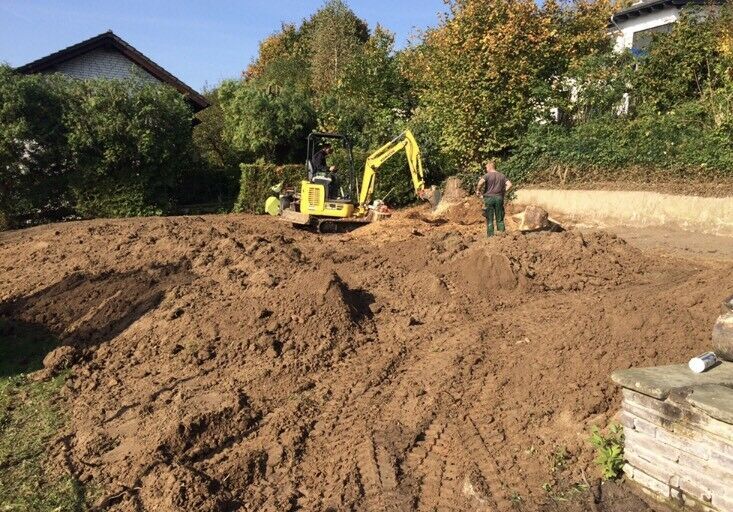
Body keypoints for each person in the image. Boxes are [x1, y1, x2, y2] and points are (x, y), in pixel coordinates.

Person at [476, 161, 512, 237]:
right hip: (499, 198)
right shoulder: (502, 175)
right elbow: (509, 184)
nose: (486, 169)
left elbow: (480, 183)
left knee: (489, 218)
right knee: (500, 218)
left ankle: (490, 237)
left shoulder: (487, 175)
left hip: (489, 198)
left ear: (489, 167)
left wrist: (478, 190)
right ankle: (502, 235)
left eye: (486, 168)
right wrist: (503, 191)